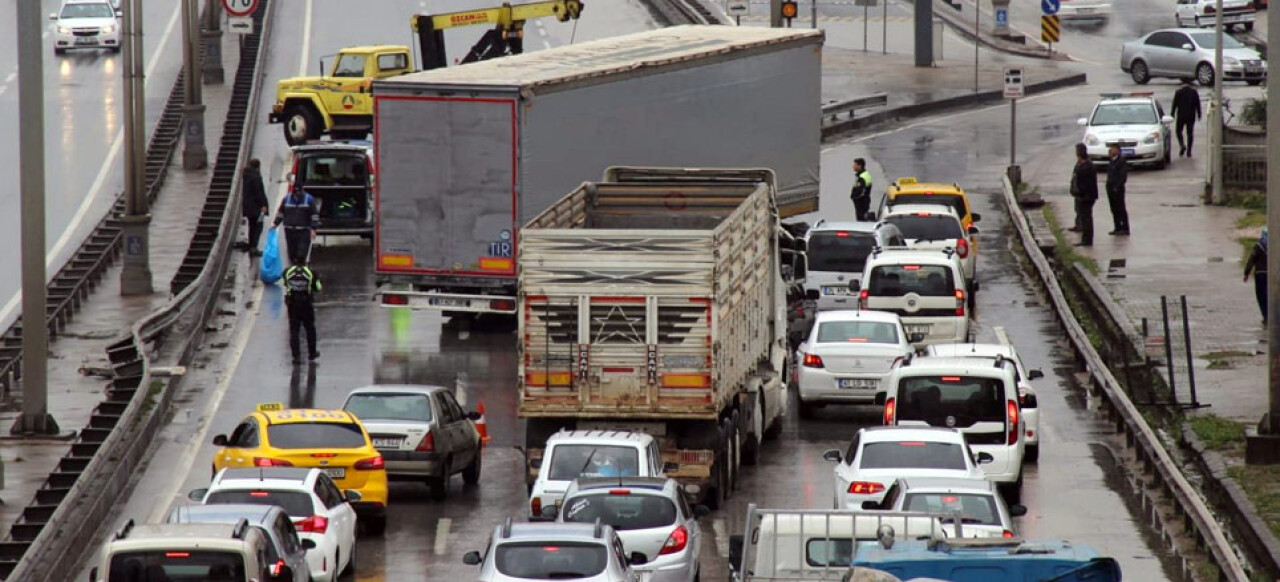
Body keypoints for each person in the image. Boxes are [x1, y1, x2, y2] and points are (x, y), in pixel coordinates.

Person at [284, 259, 322, 364]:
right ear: (305, 261)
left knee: (294, 330)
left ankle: (296, 356)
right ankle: (312, 353)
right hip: (306, 304)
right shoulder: (310, 272)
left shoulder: (287, 271)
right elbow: (318, 288)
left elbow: (285, 283)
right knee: (310, 329)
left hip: (292, 304)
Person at [273, 184, 319, 264]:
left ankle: (301, 269)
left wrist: (313, 229)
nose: (297, 195)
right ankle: (293, 269)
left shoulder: (309, 199)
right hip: (289, 230)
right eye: (296, 193)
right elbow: (281, 213)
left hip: (303, 231)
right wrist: (275, 223)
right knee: (292, 253)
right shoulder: (286, 199)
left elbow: (314, 215)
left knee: (301, 253)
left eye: (299, 193)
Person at [1069, 143, 1098, 247]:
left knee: (1087, 219)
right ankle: (1085, 238)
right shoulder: (1081, 165)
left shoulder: (1087, 166)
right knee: (1084, 217)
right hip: (1083, 196)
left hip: (1086, 197)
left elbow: (1085, 183)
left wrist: (1080, 193)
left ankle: (1087, 240)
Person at [241, 159, 269, 256]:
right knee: (258, 226)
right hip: (256, 207)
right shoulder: (256, 177)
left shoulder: (246, 176)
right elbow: (259, 193)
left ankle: (251, 245)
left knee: (252, 226)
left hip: (248, 207)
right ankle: (254, 247)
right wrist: (263, 205)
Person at [1171, 81, 1202, 158]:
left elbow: (1174, 104)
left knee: (1178, 131)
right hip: (1191, 116)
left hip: (1181, 115)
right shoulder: (1194, 92)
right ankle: (1189, 150)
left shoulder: (1178, 92)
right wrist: (1199, 114)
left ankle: (1182, 145)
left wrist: (1172, 113)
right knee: (1190, 133)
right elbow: (1198, 104)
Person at [1105, 144, 1130, 236]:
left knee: (1121, 208)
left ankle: (1125, 228)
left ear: (1117, 150)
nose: (1110, 151)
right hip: (1110, 189)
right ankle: (1117, 227)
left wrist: (1117, 186)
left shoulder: (1121, 161)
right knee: (1114, 209)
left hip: (1118, 189)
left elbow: (1123, 176)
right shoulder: (1111, 161)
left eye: (1112, 149)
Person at [1245, 227, 1269, 323]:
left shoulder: (1259, 246)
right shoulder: (1275, 244)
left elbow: (1252, 259)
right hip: (1272, 275)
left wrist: (1246, 273)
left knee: (1261, 296)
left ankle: (1266, 316)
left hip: (1260, 274)